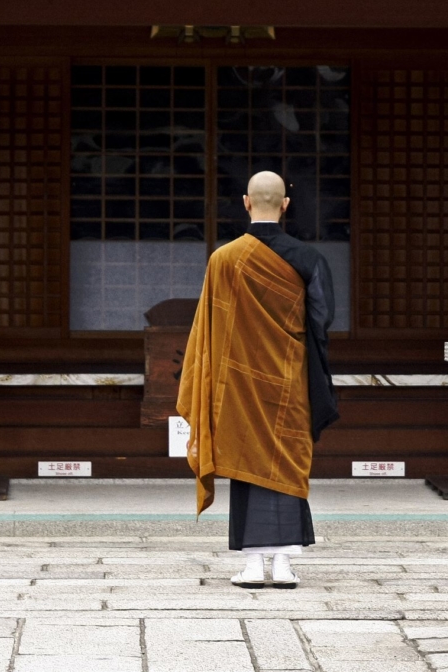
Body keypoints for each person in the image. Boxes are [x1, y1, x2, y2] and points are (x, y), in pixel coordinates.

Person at [177, 171, 339, 589]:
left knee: (246, 461)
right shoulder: (308, 259)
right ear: (285, 205)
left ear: (246, 202)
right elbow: (322, 321)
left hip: (239, 382)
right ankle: (283, 565)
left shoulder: (224, 259)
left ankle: (252, 566)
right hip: (290, 382)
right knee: (288, 463)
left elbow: (209, 328)